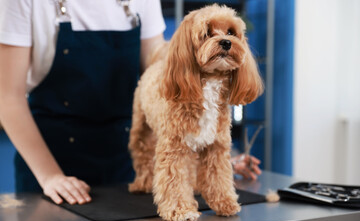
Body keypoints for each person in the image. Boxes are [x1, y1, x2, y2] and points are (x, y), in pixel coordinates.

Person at [0, 0, 260, 205]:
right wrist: (50, 176)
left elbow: (160, 76)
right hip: (53, 159)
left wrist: (210, 153)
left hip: (127, 160)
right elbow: (7, 97)